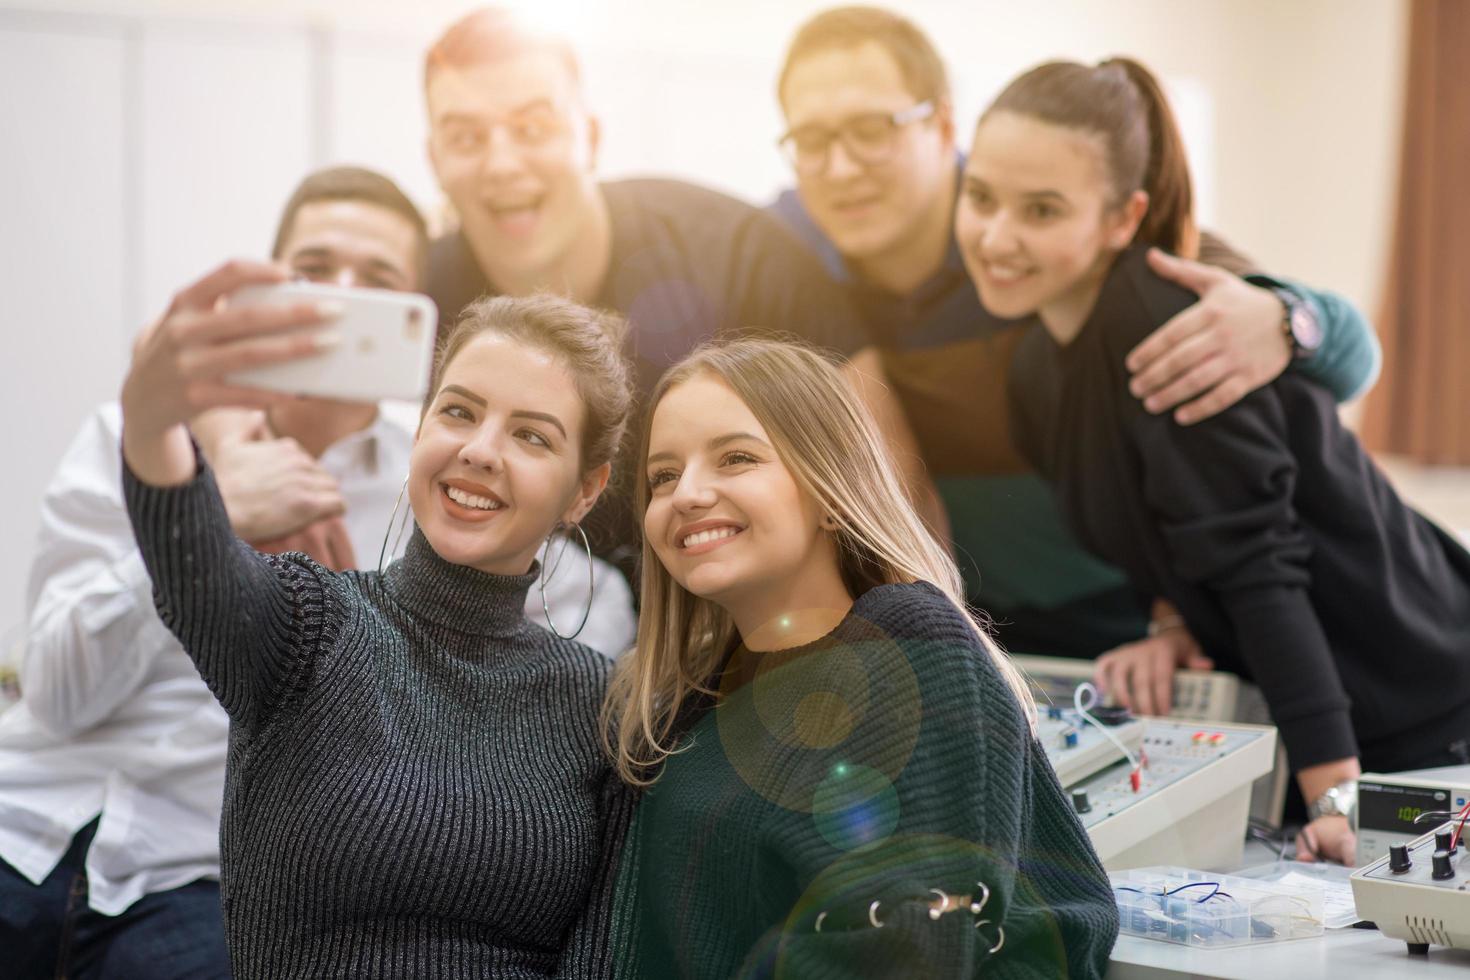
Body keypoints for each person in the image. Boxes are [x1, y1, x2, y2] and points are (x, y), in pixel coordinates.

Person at [769, 6, 1382, 708]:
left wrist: (1284, 319)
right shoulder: (791, 261)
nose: (840, 167)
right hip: (999, 638)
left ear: (942, 127)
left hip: (1164, 626)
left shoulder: (1056, 229)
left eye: (871, 130)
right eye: (812, 139)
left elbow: (1353, 358)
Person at [960, 56, 1470, 865]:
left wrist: (1334, 794)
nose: (996, 236)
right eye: (980, 198)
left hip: (1426, 695)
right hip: (1340, 713)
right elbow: (1158, 521)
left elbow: (1258, 570)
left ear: (1123, 218)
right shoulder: (1038, 370)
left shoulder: (1163, 330)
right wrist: (1169, 620)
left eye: (1042, 210)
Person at [118, 254, 636, 976]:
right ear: (421, 429)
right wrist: (152, 418)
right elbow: (192, 562)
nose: (480, 451)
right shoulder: (309, 625)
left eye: (532, 436)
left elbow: (605, 955)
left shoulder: (603, 704)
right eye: (458, 411)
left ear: (584, 491)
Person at [0, 165, 429, 978]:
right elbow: (54, 691)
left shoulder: (432, 483)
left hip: (198, 876)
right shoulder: (142, 432)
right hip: (26, 818)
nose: (338, 297)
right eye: (312, 271)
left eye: (377, 283)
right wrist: (197, 515)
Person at [605, 339, 1118, 978]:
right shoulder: (688, 705)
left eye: (736, 458)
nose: (687, 494)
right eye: (663, 476)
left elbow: (905, 948)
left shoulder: (908, 643)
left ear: (828, 491)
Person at [421, 7, 947, 578]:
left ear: (590, 137)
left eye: (531, 128)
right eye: (467, 137)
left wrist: (909, 644)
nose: (501, 163)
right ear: (435, 160)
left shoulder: (740, 254)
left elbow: (892, 497)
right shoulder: (417, 294)